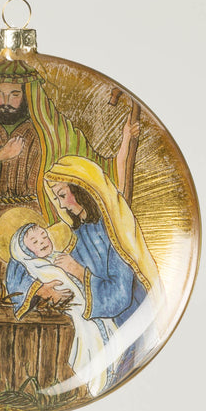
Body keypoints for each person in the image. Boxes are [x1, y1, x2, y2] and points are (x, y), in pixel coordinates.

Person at [0, 59, 140, 285]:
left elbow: (98, 175)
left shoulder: (53, 131)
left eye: (14, 95)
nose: (5, 103)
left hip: (42, 225)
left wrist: (126, 140)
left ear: (28, 94)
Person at [42, 156, 167, 378]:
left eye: (62, 195)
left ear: (81, 189)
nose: (60, 205)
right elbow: (70, 277)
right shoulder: (80, 234)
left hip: (133, 321)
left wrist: (77, 270)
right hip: (109, 328)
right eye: (56, 198)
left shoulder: (114, 231)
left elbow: (119, 294)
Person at [7, 223, 119, 396]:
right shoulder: (30, 266)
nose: (42, 242)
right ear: (25, 250)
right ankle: (93, 382)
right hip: (74, 313)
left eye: (44, 236)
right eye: (35, 242)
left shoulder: (59, 258)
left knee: (109, 333)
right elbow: (18, 285)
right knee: (88, 341)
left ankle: (109, 375)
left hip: (88, 308)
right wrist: (41, 290)